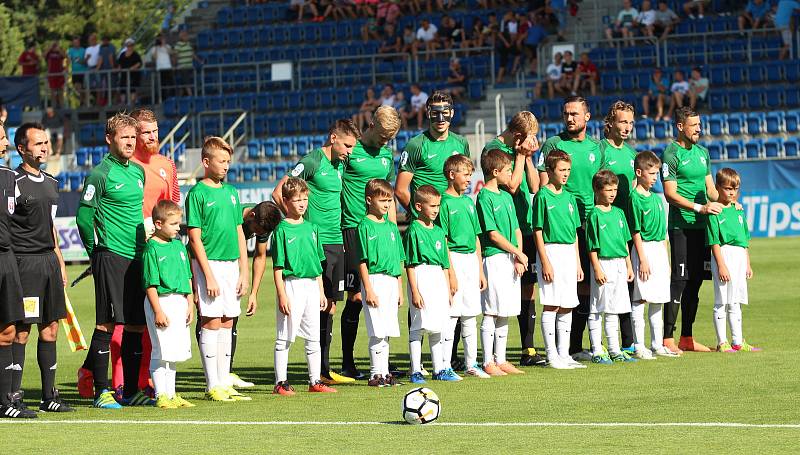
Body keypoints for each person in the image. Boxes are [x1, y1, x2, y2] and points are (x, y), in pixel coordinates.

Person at [272, 120, 360, 386]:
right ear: (333, 138)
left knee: (330, 305)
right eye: (346, 145)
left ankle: (323, 370)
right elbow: (279, 192)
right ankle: (315, 372)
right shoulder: (311, 161)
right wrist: (297, 228)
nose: (349, 151)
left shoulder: (341, 164)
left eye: (352, 147)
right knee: (315, 309)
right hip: (316, 241)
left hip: (337, 241)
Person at [76, 113, 150, 409]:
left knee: (135, 325)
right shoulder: (100, 174)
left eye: (133, 137)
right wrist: (96, 251)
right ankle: (102, 391)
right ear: (109, 140)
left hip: (137, 257)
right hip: (111, 256)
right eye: (125, 137)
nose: (131, 142)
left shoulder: (138, 172)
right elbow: (84, 218)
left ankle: (130, 391)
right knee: (106, 324)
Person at [8, 123, 73, 412]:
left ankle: (50, 396)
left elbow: (51, 227)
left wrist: (59, 261)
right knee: (22, 331)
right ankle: (13, 395)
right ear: (22, 148)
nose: (44, 148)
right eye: (38, 143)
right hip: (24, 264)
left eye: (46, 142)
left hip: (48, 262)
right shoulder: (13, 182)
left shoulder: (52, 182)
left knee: (51, 329)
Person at [537, 96, 603, 361]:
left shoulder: (596, 148)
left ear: (587, 116)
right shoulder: (553, 144)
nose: (569, 118)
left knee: (584, 286)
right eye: (566, 113)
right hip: (560, 226)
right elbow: (544, 184)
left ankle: (574, 347)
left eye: (575, 113)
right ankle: (558, 351)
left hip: (589, 222)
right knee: (556, 293)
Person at [185, 137, 250, 402]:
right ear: (206, 162)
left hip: (231, 265)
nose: (226, 166)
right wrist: (207, 274)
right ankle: (212, 384)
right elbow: (194, 237)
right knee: (210, 321)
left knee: (227, 321)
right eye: (221, 161)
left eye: (228, 162)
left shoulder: (232, 193)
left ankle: (224, 380)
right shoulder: (197, 193)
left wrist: (244, 271)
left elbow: (239, 233)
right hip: (209, 265)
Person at [339, 106, 401, 379]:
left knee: (384, 294)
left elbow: (387, 195)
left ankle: (382, 363)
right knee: (355, 296)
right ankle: (347, 362)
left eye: (390, 137)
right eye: (383, 135)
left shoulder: (387, 155)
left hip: (381, 231)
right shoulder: (351, 151)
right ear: (372, 124)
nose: (386, 141)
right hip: (353, 228)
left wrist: (392, 226)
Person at [482, 112, 543, 366]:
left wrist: (528, 158)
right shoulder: (494, 149)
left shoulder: (521, 151)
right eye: (529, 137)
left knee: (528, 287)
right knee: (499, 296)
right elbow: (514, 185)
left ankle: (527, 348)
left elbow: (534, 186)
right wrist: (519, 155)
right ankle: (493, 355)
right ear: (518, 135)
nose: (532, 141)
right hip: (503, 231)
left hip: (523, 226)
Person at [662, 106, 722, 353]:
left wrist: (728, 201)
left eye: (699, 124)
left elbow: (711, 190)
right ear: (680, 127)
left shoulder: (703, 153)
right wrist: (700, 208)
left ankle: (687, 337)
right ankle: (667, 338)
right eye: (694, 125)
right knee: (679, 280)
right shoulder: (671, 153)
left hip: (702, 227)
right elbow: (670, 194)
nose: (699, 129)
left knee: (696, 281)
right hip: (681, 226)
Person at [270, 178, 338, 396]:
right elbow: (278, 267)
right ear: (286, 201)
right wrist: (282, 295)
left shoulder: (312, 228)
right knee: (285, 337)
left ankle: (315, 380)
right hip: (291, 286)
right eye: (297, 199)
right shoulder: (281, 230)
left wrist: (320, 291)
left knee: (313, 337)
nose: (302, 203)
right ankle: (280, 382)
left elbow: (318, 264)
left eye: (305, 199)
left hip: (311, 286)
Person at [437, 155, 489, 378]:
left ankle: (471, 363)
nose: (469, 179)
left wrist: (479, 269)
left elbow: (477, 238)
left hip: (470, 261)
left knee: (470, 314)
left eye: (470, 175)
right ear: (451, 175)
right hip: (455, 259)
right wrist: (450, 273)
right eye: (465, 174)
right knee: (452, 315)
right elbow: (444, 240)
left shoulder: (469, 202)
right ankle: (444, 365)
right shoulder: (444, 203)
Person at [533, 151, 585, 370]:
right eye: (561, 170)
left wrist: (578, 262)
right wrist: (545, 261)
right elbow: (537, 230)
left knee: (567, 305)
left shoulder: (570, 197)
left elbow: (574, 232)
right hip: (551, 251)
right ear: (550, 171)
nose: (566, 174)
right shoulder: (542, 196)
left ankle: (564, 354)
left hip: (568, 254)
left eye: (568, 170)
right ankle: (551, 354)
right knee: (552, 304)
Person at [476, 149, 527, 376]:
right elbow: (493, 234)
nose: (511, 175)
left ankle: (502, 358)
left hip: (510, 258)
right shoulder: (484, 197)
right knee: (491, 311)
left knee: (505, 310)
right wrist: (518, 252)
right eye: (508, 171)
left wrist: (518, 256)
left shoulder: (507, 196)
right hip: (494, 258)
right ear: (495, 172)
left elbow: (516, 229)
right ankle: (488, 361)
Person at [141, 200, 195, 409]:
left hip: (179, 302)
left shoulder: (179, 246)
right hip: (161, 303)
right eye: (173, 224)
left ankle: (171, 394)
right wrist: (157, 310)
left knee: (173, 352)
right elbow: (150, 283)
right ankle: (160, 394)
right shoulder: (151, 249)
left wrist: (190, 302)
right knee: (160, 351)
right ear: (158, 223)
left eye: (179, 223)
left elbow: (187, 276)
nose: (178, 228)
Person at [0, 121, 35, 419]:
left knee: (10, 330)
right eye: (0, 136)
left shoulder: (10, 177)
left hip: (8, 259)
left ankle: (8, 399)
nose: (5, 141)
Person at [404, 185, 456, 384]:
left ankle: (439, 368)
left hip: (437, 278)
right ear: (419, 206)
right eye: (432, 206)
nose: (436, 210)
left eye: (438, 206)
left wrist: (448, 287)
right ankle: (416, 370)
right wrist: (415, 291)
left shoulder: (439, 231)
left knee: (438, 326)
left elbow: (444, 263)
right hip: (421, 275)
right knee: (418, 325)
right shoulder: (413, 230)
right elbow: (410, 263)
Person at [629, 151, 678, 359]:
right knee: (640, 299)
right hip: (645, 250)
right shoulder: (635, 198)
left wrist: (665, 260)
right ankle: (638, 345)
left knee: (658, 299)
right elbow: (636, 231)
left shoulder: (658, 200)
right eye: (651, 173)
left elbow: (664, 234)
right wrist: (642, 259)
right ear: (639, 173)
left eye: (657, 173)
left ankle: (657, 344)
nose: (655, 177)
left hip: (658, 251)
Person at [706, 168, 760, 353]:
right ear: (718, 187)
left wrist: (747, 263)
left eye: (735, 189)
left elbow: (744, 241)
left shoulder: (738, 211)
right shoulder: (715, 211)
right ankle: (722, 342)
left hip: (738, 258)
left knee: (735, 300)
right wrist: (721, 265)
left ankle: (738, 341)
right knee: (722, 301)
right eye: (728, 188)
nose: (732, 192)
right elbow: (714, 241)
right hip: (723, 256)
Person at [357, 179, 405, 387]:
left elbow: (398, 260)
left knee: (387, 330)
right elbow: (362, 261)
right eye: (382, 200)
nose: (387, 205)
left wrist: (400, 289)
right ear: (369, 200)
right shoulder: (364, 226)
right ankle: (375, 374)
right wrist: (368, 289)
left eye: (389, 201)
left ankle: (385, 373)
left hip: (391, 281)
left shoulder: (392, 228)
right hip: (374, 280)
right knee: (376, 330)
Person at [586, 170, 636, 364]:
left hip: (620, 264)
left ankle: (615, 349)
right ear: (598, 190)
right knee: (598, 307)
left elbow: (625, 242)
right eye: (608, 190)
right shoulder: (594, 215)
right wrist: (597, 268)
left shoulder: (619, 212)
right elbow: (592, 245)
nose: (613, 193)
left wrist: (629, 265)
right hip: (603, 263)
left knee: (615, 308)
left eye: (615, 189)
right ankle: (597, 350)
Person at [600, 101, 638, 352]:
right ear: (611, 122)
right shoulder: (600, 150)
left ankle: (628, 342)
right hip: (606, 226)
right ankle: (594, 343)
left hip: (626, 226)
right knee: (602, 287)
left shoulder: (632, 154)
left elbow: (634, 189)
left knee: (627, 283)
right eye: (623, 121)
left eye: (630, 123)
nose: (627, 127)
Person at [396, 91, 470, 219]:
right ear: (428, 113)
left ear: (452, 113)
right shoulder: (415, 145)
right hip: (428, 224)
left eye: (445, 113)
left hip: (455, 218)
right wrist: (417, 213)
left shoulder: (461, 143)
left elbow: (464, 181)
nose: (441, 119)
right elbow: (400, 190)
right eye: (436, 113)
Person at [174, 30, 201, 97]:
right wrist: (174, 65)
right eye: (185, 35)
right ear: (182, 37)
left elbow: (192, 54)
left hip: (189, 66)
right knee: (186, 82)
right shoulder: (178, 45)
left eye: (187, 35)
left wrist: (199, 61)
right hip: (182, 66)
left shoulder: (189, 44)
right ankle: (191, 96)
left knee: (183, 82)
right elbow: (175, 56)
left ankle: (179, 97)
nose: (187, 37)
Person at [147, 36, 174, 100]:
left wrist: (164, 45)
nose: (162, 40)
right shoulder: (154, 48)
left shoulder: (167, 46)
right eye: (160, 39)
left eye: (163, 39)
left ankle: (172, 96)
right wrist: (156, 47)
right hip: (160, 68)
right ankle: (163, 98)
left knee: (171, 83)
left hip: (168, 67)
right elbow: (154, 57)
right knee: (162, 84)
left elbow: (171, 53)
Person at [116, 39, 143, 105]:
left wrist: (133, 67)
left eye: (131, 45)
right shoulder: (122, 54)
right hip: (124, 74)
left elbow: (139, 63)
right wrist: (119, 68)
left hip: (133, 74)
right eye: (128, 45)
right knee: (122, 87)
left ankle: (132, 102)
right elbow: (119, 62)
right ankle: (123, 102)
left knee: (132, 88)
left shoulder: (135, 54)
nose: (130, 47)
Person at [67, 37, 88, 106]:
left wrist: (80, 61)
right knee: (77, 87)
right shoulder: (70, 50)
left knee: (82, 87)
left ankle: (83, 101)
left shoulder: (83, 50)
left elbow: (86, 61)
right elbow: (68, 60)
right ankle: (81, 100)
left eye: (77, 42)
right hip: (74, 72)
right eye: (74, 42)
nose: (76, 44)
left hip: (83, 71)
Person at [44, 42, 66, 108]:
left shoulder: (60, 51)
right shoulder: (49, 52)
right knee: (52, 91)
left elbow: (65, 56)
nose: (54, 47)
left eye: (55, 46)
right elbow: (44, 55)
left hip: (59, 74)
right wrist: (49, 48)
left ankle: (62, 107)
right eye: (53, 46)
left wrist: (59, 49)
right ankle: (54, 107)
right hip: (51, 74)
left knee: (60, 91)